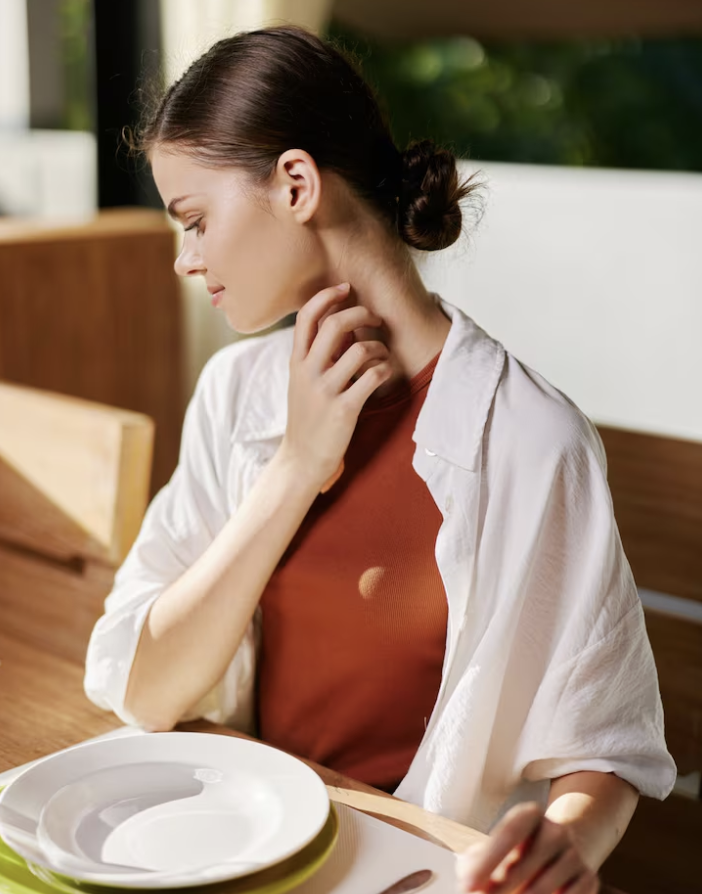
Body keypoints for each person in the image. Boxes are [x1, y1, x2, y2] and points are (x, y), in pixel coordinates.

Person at [84, 25, 675, 894]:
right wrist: (294, 466)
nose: (187, 259)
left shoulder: (531, 439)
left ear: (295, 184)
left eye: (197, 220)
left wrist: (567, 847)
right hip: (233, 847)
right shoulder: (234, 393)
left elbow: (606, 751)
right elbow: (146, 691)